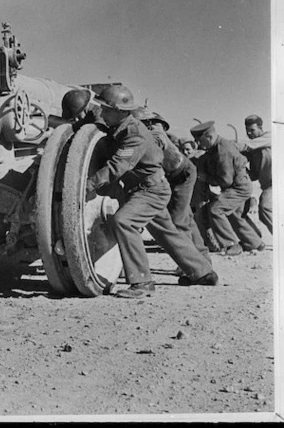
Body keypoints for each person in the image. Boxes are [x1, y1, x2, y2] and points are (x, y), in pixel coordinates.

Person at [86, 85, 217, 299]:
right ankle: (203, 272)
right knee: (166, 232)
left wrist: (87, 185)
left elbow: (117, 167)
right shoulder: (120, 126)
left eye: (107, 110)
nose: (103, 113)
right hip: (144, 188)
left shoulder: (134, 134)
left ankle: (142, 282)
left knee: (123, 221)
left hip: (151, 190)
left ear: (121, 111)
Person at [132, 108, 212, 273]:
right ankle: (203, 259)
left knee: (178, 221)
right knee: (186, 218)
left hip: (182, 176)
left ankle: (190, 265)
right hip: (177, 175)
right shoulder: (155, 132)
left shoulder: (156, 135)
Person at [191, 121, 265, 255]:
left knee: (216, 209)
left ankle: (231, 244)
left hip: (238, 188)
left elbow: (225, 180)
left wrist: (205, 178)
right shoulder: (218, 146)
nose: (197, 143)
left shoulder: (222, 151)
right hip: (240, 184)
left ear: (209, 137)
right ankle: (254, 242)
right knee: (235, 215)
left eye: (198, 139)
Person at [234, 114, 272, 235]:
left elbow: (247, 145)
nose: (249, 133)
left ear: (261, 128)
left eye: (252, 130)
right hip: (268, 186)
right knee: (263, 213)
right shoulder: (255, 150)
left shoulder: (269, 137)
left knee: (265, 207)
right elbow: (255, 175)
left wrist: (227, 146)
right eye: (247, 130)